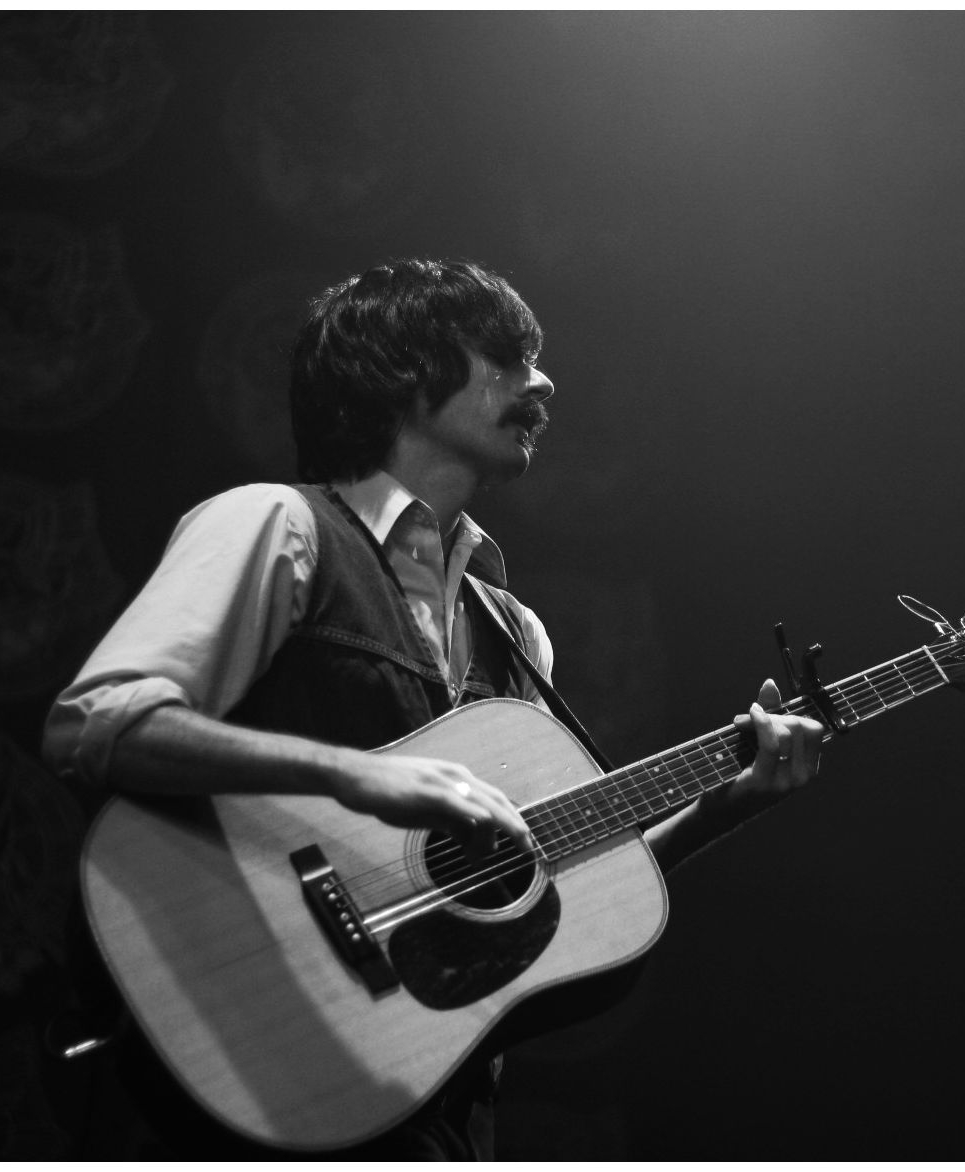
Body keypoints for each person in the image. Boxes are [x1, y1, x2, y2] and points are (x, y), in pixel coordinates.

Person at [42, 257, 825, 1159]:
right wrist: (356, 777)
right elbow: (98, 723)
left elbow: (532, 888)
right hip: (235, 1058)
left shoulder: (514, 632)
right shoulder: (279, 525)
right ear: (405, 374)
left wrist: (720, 807)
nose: (544, 384)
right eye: (507, 357)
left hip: (426, 1106)